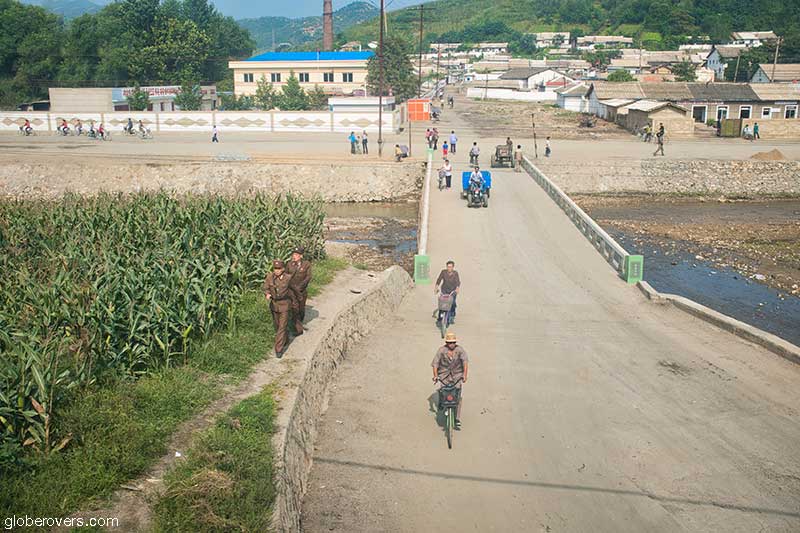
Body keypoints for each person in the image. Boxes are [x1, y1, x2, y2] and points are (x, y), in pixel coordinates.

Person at [432, 332, 469, 428]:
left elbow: (465, 362)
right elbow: (435, 363)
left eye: (453, 342)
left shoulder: (460, 350)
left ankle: (457, 418)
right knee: (443, 391)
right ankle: (441, 402)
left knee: (458, 396)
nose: (451, 344)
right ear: (446, 343)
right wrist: (435, 375)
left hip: (457, 375)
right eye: (449, 342)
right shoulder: (441, 350)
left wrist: (464, 375)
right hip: (444, 375)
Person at [263, 259, 295, 357]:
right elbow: (265, 288)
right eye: (275, 268)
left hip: (285, 305)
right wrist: (267, 294)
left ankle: (278, 349)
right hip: (274, 305)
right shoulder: (269, 277)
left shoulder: (288, 278)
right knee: (277, 326)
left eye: (279, 268)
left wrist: (295, 303)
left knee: (281, 327)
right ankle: (286, 338)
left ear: (283, 269)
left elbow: (294, 290)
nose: (276, 270)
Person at [286, 246, 312, 330]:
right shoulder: (289, 264)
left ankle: (300, 322)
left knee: (301, 308)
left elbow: (308, 277)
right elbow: (286, 276)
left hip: (301, 290)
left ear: (301, 256)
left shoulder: (306, 264)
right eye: (293, 254)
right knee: (294, 307)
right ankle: (296, 327)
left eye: (296, 254)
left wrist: (300, 287)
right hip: (292, 290)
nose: (294, 256)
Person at [434, 260, 461, 324]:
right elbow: (439, 279)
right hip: (444, 290)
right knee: (442, 305)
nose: (449, 268)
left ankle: (452, 317)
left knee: (453, 304)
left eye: (450, 267)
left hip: (452, 291)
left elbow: (458, 282)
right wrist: (436, 287)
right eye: (448, 267)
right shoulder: (443, 272)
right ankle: (440, 318)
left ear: (453, 267)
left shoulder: (455, 273)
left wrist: (457, 288)